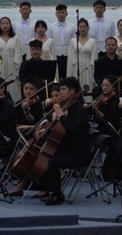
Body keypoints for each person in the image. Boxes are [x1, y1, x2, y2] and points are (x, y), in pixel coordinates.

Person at [39, 76, 91, 205]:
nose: (61, 92)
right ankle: (46, 189)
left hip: (79, 153)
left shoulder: (80, 110)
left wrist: (61, 115)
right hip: (69, 148)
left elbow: (73, 130)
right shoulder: (69, 107)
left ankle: (56, 194)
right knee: (47, 154)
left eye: (63, 89)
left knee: (54, 161)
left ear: (72, 91)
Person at [0, 17, 21, 99]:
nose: (5, 25)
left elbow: (18, 54)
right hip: (0, 65)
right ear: (0, 25)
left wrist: (17, 69)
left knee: (13, 84)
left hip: (12, 63)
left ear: (10, 25)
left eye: (7, 23)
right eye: (3, 24)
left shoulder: (15, 38)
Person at [67, 18, 96, 89]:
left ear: (88, 28)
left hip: (88, 66)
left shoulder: (92, 41)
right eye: (80, 27)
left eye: (84, 27)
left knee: (87, 85)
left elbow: (94, 57)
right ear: (78, 28)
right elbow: (70, 58)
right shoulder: (73, 41)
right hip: (76, 65)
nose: (82, 29)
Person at [49, 5, 73, 79]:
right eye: (59, 12)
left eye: (63, 12)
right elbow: (49, 41)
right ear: (56, 14)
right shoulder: (51, 27)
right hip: (56, 54)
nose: (61, 14)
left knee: (67, 75)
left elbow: (74, 41)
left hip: (68, 55)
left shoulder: (73, 27)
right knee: (56, 75)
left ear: (66, 14)